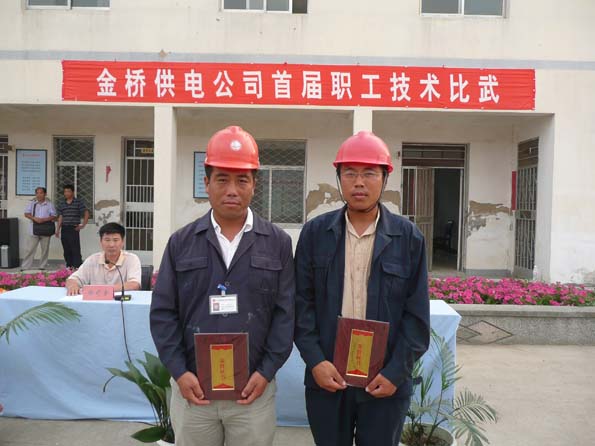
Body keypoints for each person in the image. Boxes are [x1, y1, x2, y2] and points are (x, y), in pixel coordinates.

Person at [150, 126, 294, 446]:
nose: (232, 190)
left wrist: (266, 371)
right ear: (206, 183)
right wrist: (179, 372)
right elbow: (163, 313)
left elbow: (286, 315)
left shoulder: (278, 244)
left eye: (242, 180)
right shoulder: (181, 243)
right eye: (222, 179)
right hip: (194, 393)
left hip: (252, 394)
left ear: (254, 185)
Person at [294, 131, 430, 446]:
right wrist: (316, 361)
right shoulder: (315, 234)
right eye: (350, 173)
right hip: (328, 377)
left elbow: (417, 316)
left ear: (385, 179)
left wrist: (395, 372)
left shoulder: (408, 238)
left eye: (369, 173)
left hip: (384, 382)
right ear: (339, 178)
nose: (359, 183)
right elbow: (301, 305)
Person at [65, 222, 141, 295]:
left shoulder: (131, 259)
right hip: (96, 302)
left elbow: (134, 284)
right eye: (107, 240)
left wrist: (103, 290)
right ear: (101, 242)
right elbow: (72, 279)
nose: (111, 245)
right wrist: (73, 286)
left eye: (115, 240)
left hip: (121, 302)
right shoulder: (92, 260)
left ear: (122, 242)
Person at [21, 187, 57, 271]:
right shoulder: (32, 203)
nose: (39, 195)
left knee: (45, 249)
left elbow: (54, 216)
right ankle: (25, 267)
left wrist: (44, 219)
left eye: (41, 193)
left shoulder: (49, 204)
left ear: (45, 194)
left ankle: (42, 266)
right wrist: (34, 218)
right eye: (37, 193)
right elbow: (26, 214)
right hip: (34, 229)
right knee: (30, 249)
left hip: (46, 229)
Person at [56, 184, 89, 269]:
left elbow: (86, 213)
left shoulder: (78, 202)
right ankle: (69, 266)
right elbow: (60, 217)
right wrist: (58, 229)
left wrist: (83, 224)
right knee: (66, 248)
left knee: (75, 248)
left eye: (68, 191)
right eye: (65, 192)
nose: (66, 193)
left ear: (73, 192)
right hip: (64, 228)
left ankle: (77, 266)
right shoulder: (62, 203)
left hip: (74, 228)